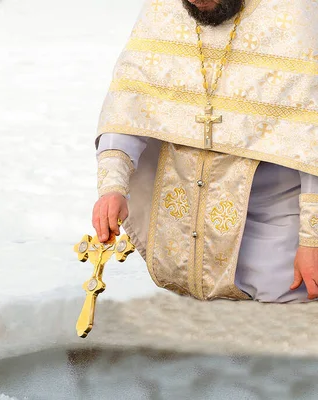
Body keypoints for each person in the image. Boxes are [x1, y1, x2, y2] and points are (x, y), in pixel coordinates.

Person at [92, 0, 318, 303]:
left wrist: (312, 240)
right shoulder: (165, 8)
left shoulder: (296, 14)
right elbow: (130, 103)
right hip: (179, 244)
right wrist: (112, 188)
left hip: (278, 240)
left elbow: (311, 138)